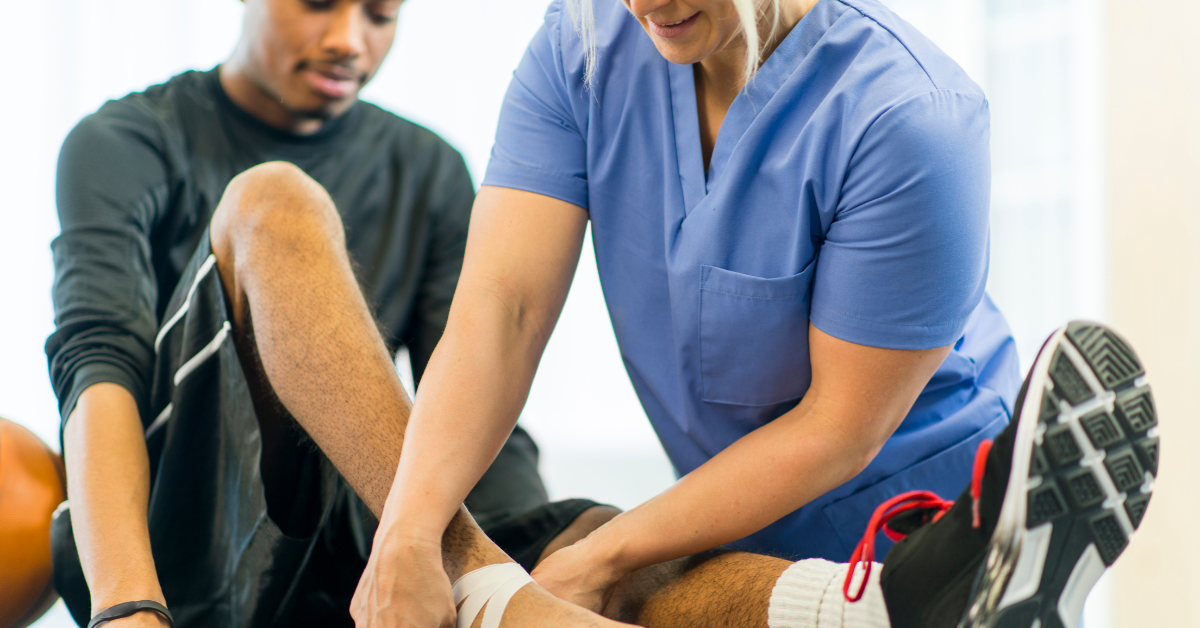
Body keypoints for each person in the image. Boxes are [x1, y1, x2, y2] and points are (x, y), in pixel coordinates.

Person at [344, 0, 1111, 621]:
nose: (643, 3)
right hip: (736, 524)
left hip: (926, 532)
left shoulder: (908, 116)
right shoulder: (580, 47)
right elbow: (501, 312)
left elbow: (838, 428)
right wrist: (408, 531)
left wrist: (605, 556)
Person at [45, 0, 610, 625]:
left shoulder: (427, 167)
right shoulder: (124, 140)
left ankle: (499, 584)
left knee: (612, 548)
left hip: (367, 543)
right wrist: (127, 604)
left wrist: (536, 549)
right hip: (184, 541)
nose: (349, 40)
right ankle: (492, 590)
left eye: (379, 16)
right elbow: (97, 371)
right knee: (272, 199)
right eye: (319, 4)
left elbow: (473, 392)